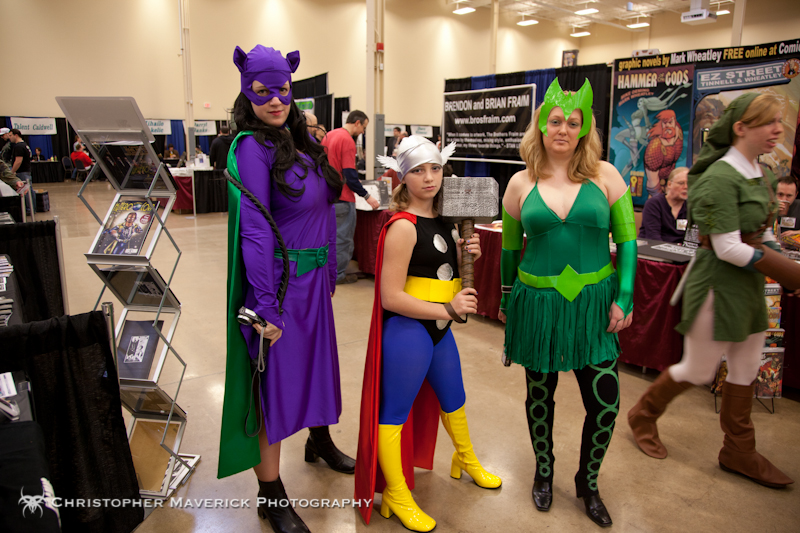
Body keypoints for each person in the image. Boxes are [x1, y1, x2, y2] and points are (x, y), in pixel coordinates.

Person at [218, 44, 355, 533]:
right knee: (272, 391)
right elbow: (255, 229)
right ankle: (271, 496)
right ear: (246, 91)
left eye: (282, 90)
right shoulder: (250, 148)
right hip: (279, 288)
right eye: (262, 91)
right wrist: (266, 305)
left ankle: (318, 439)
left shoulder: (300, 144)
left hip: (314, 285)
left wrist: (330, 269)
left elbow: (325, 211)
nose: (275, 100)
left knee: (317, 370)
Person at [628, 93, 795, 489]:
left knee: (747, 365)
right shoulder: (721, 176)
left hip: (749, 284)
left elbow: (762, 232)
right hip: (717, 284)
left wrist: (781, 261)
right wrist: (790, 273)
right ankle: (643, 415)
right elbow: (727, 247)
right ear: (741, 127)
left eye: (779, 121)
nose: (778, 129)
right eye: (769, 122)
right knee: (699, 369)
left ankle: (739, 449)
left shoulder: (761, 173)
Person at [499, 79, 637, 527]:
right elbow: (509, 250)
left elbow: (628, 242)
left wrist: (624, 296)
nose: (563, 129)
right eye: (555, 120)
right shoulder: (519, 182)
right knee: (540, 396)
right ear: (541, 125)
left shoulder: (606, 175)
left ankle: (587, 482)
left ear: (585, 129)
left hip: (594, 306)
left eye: (573, 123)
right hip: (537, 304)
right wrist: (506, 302)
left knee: (606, 402)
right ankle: (544, 472)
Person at [355, 136, 501, 532]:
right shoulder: (402, 227)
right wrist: (448, 310)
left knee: (454, 399)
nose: (429, 177)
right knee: (395, 413)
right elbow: (390, 297)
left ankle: (464, 459)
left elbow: (442, 273)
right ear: (403, 177)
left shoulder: (445, 220)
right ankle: (397, 494)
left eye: (435, 168)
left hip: (439, 330)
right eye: (418, 170)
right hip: (409, 331)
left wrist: (469, 256)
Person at [321, 110, 380, 285]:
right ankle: (338, 275)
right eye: (364, 127)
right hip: (343, 198)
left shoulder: (329, 136)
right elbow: (348, 173)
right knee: (343, 240)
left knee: (329, 239)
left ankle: (327, 273)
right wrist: (367, 196)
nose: (363, 131)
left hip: (327, 197)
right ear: (357, 123)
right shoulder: (347, 140)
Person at [638, 166, 689, 243]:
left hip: (679, 249)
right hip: (651, 247)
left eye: (689, 183)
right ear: (669, 184)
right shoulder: (654, 204)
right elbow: (653, 237)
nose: (686, 187)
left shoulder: (691, 207)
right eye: (681, 183)